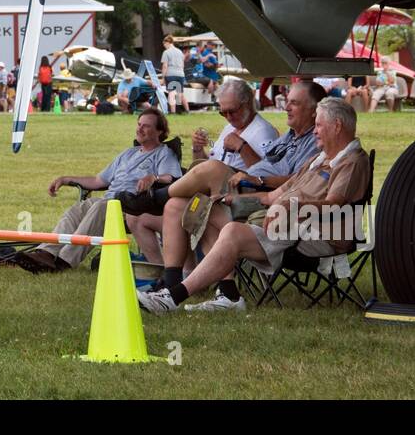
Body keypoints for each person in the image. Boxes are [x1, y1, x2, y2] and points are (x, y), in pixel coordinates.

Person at [138, 97, 370, 313]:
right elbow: (273, 196)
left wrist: (290, 206)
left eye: (319, 125)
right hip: (285, 222)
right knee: (208, 207)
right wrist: (236, 199)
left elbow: (334, 205)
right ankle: (228, 295)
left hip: (316, 235)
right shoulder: (317, 159)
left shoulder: (352, 161)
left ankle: (172, 298)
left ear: (337, 126)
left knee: (232, 232)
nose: (315, 131)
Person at [120, 80, 292, 303]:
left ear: (248, 103)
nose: (228, 117)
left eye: (232, 111)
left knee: (208, 185)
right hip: (214, 195)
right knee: (175, 206)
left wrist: (242, 146)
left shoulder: (263, 131)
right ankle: (173, 280)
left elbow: (264, 176)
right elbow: (202, 169)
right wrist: (197, 150)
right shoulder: (230, 128)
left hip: (244, 198)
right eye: (222, 112)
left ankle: (158, 196)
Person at [16, 109, 182, 272]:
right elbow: (98, 181)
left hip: (133, 206)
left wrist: (154, 177)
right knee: (79, 208)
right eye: (139, 124)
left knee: (101, 207)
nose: (139, 129)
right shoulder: (128, 153)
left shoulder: (163, 153)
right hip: (108, 201)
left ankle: (63, 261)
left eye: (146, 126)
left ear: (160, 131)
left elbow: (173, 178)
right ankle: (46, 252)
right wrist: (65, 179)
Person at [161, 35, 186, 114]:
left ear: (167, 42)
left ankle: (173, 112)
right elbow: (183, 65)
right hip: (180, 74)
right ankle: (180, 110)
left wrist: (163, 77)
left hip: (171, 74)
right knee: (179, 93)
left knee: (171, 93)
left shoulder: (166, 52)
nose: (164, 46)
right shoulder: (180, 52)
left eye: (164, 44)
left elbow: (165, 66)